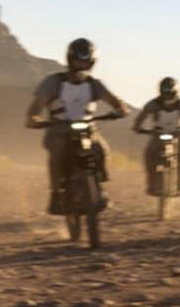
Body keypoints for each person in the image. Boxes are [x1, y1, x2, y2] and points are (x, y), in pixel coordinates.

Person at [24, 38, 130, 214]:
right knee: (57, 152)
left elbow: (115, 101)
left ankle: (99, 188)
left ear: (92, 62)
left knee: (101, 150)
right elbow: (37, 106)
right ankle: (56, 193)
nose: (82, 65)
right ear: (70, 60)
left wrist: (121, 110)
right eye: (78, 60)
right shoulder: (54, 82)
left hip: (88, 128)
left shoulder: (94, 84)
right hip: (59, 129)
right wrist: (34, 118)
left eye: (86, 61)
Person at [133, 76, 180, 195]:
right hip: (158, 134)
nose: (168, 96)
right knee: (149, 154)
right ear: (160, 92)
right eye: (165, 93)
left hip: (178, 133)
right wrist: (138, 128)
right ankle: (152, 184)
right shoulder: (152, 104)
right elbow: (140, 117)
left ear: (176, 92)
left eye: (171, 93)